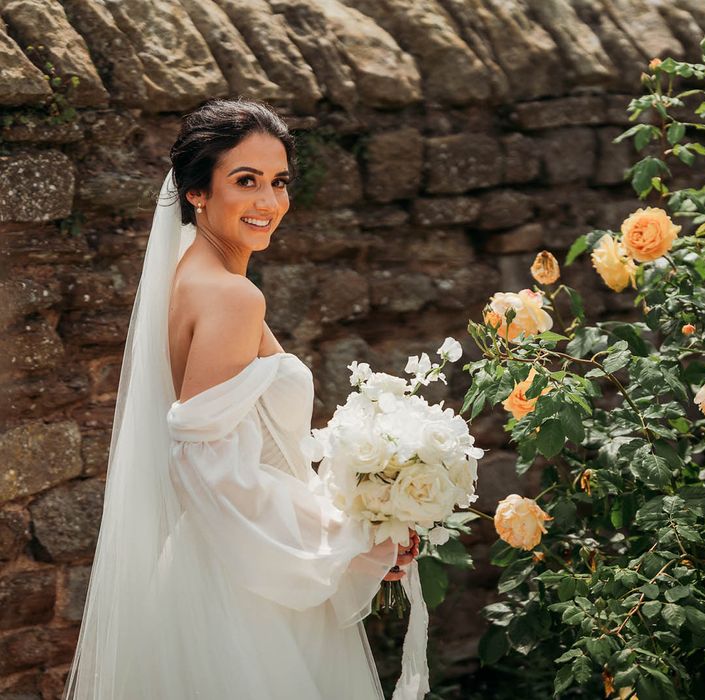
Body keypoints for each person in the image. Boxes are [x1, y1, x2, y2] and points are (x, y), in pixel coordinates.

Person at [61, 98, 429, 699]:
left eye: (279, 182)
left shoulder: (188, 274)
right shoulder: (232, 298)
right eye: (245, 181)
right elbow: (210, 469)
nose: (269, 202)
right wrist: (349, 536)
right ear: (197, 193)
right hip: (242, 591)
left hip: (211, 565)